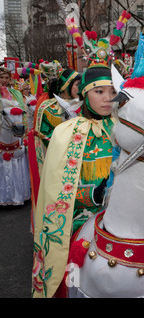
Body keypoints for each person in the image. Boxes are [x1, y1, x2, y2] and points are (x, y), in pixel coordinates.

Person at [32, 64, 116, 298]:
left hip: (121, 217)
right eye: (99, 92)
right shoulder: (66, 132)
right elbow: (56, 192)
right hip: (80, 221)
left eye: (112, 91)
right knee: (79, 283)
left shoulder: (123, 127)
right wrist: (91, 195)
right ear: (84, 94)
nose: (107, 98)